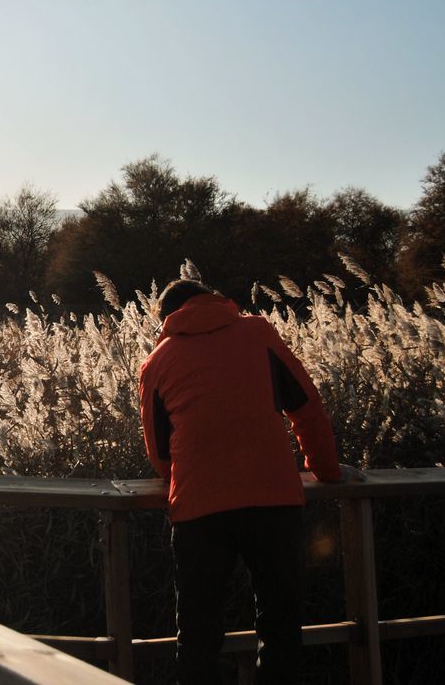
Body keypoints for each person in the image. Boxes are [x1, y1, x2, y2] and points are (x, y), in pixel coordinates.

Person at [138, 278, 364, 685]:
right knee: (280, 625)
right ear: (214, 298)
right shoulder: (258, 332)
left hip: (199, 510)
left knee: (198, 634)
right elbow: (306, 407)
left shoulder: (157, 362)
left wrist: (186, 480)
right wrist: (327, 471)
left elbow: (160, 453)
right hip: (273, 500)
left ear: (168, 316)